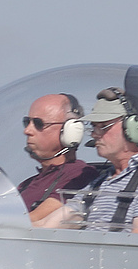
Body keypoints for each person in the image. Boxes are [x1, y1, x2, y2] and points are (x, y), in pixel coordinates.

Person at [46, 87, 138, 234]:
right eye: (93, 127)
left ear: (131, 127)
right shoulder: (101, 182)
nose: (94, 134)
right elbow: (50, 225)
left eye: (103, 126)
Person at [14, 93, 97, 224]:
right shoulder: (26, 184)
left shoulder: (80, 176)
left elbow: (33, 220)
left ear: (70, 131)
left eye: (38, 123)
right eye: (27, 122)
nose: (27, 130)